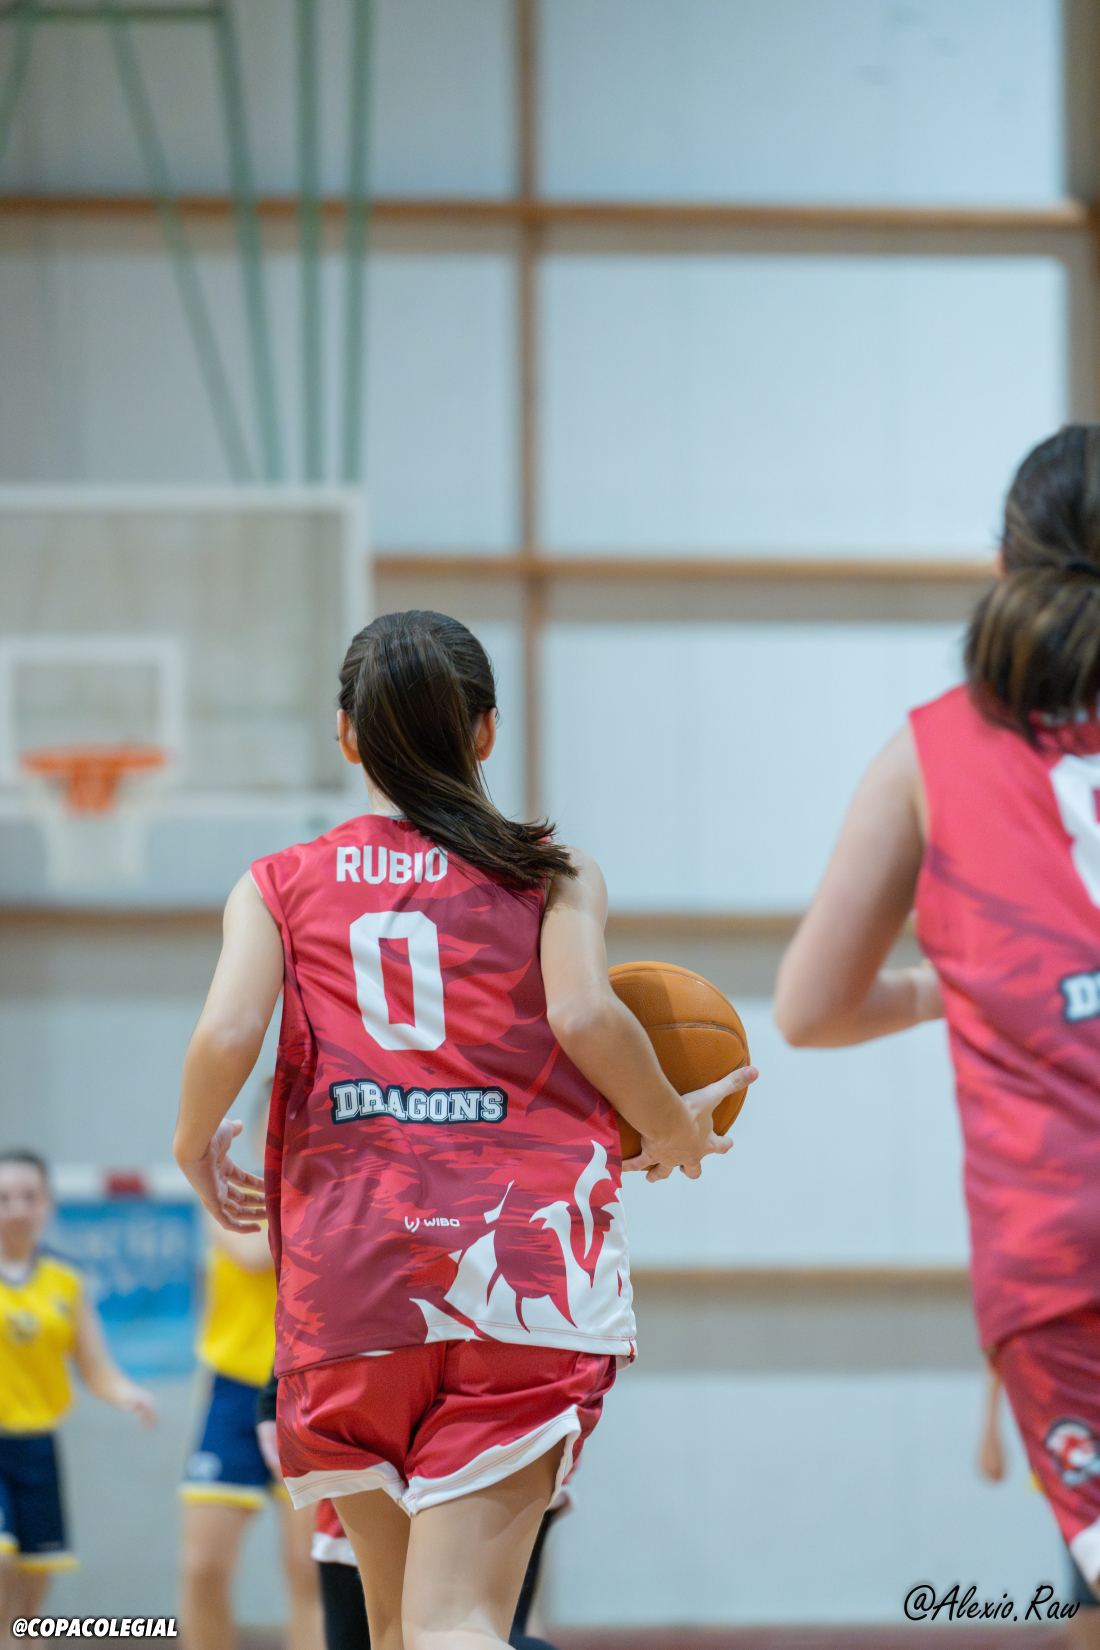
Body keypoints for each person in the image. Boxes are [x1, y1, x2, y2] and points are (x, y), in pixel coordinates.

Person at [174, 610, 755, 1650]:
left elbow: (225, 1034)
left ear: (346, 735)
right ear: (485, 730)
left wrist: (192, 1149)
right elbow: (586, 1017)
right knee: (457, 1624)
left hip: (349, 1285)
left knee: (398, 1630)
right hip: (513, 1269)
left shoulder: (276, 883)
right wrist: (671, 1130)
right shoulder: (552, 872)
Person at [774, 425, 1100, 1597]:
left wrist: (939, 992)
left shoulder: (933, 750)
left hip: (1055, 1254)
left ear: (1003, 564)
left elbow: (807, 1008)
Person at [179, 1098, 322, 1650]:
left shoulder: (331, 1195)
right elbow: (253, 1253)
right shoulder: (226, 1190)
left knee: (307, 1570)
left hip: (306, 1389)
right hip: (235, 1390)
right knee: (202, 1567)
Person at [0, 1149, 156, 1647]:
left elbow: (94, 1366)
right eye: (4, 1198)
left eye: (29, 1196)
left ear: (48, 1203)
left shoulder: (65, 1282)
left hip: (37, 1447)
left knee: (31, 1600)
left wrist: (127, 1393)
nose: (17, 1208)